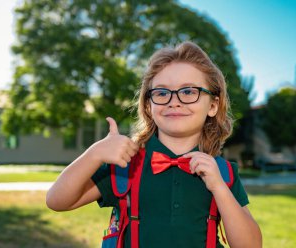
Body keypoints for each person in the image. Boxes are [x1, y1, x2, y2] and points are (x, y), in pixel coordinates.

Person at [46, 41, 262, 248]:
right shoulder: (125, 165)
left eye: (188, 91)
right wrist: (94, 154)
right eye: (161, 93)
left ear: (213, 105)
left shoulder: (224, 173)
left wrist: (219, 188)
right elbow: (57, 201)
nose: (173, 101)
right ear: (148, 106)